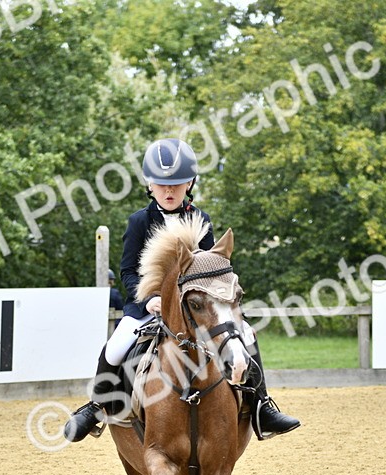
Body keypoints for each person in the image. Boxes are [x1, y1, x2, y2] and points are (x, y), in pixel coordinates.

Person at [63, 137, 299, 443]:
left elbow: (211, 266)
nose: (169, 190)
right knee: (115, 346)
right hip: (148, 307)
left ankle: (262, 407)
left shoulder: (201, 220)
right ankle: (95, 407)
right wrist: (149, 299)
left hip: (197, 307)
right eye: (161, 184)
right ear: (149, 184)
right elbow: (127, 271)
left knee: (248, 335)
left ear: (190, 183)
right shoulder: (138, 222)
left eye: (176, 183)